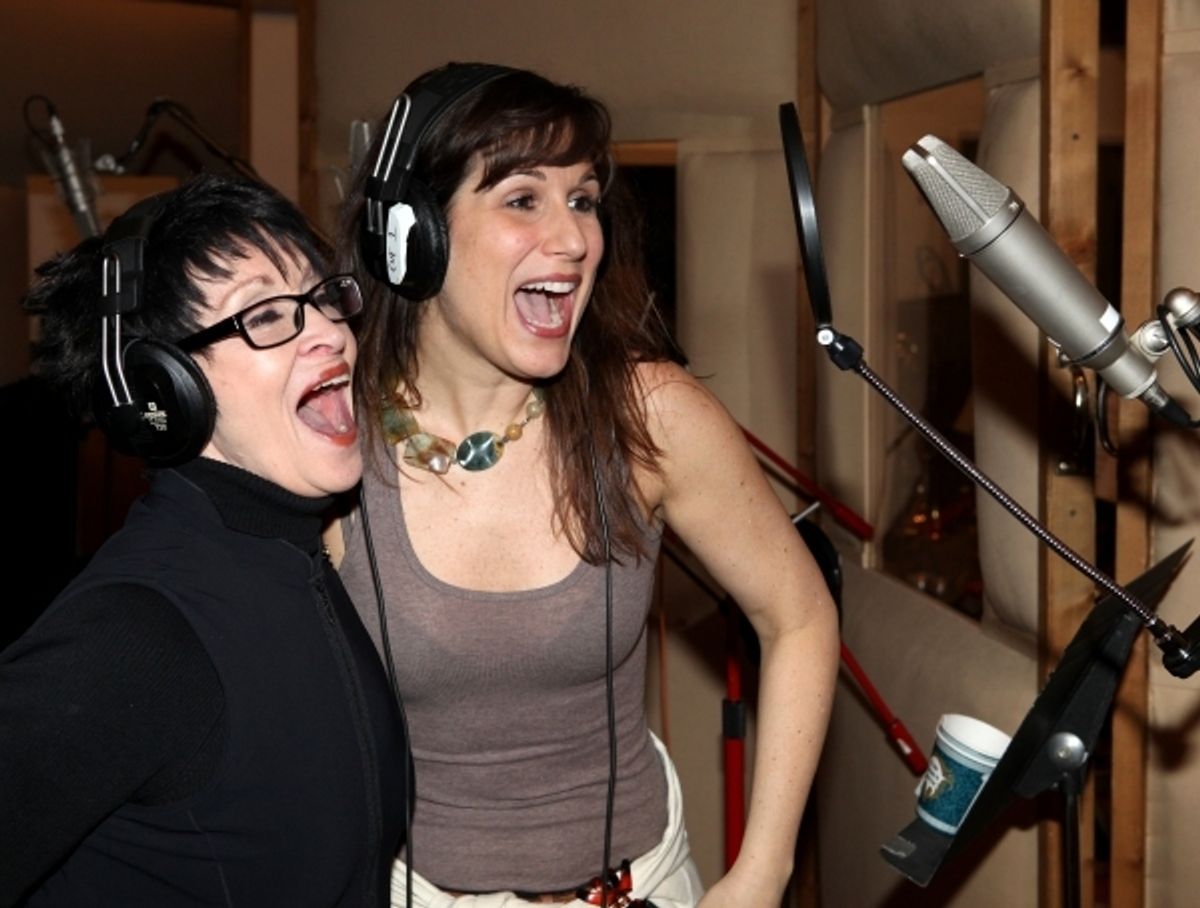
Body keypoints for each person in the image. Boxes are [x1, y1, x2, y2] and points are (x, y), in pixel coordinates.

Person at [330, 62, 839, 908]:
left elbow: (799, 613)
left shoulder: (652, 414)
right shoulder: (330, 443)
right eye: (523, 199)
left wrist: (763, 870)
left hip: (641, 887)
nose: (572, 239)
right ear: (412, 236)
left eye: (584, 198)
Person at [0, 173, 408, 907]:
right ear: (165, 388)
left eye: (321, 298)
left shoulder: (300, 568)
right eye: (263, 314)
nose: (326, 330)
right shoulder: (133, 637)